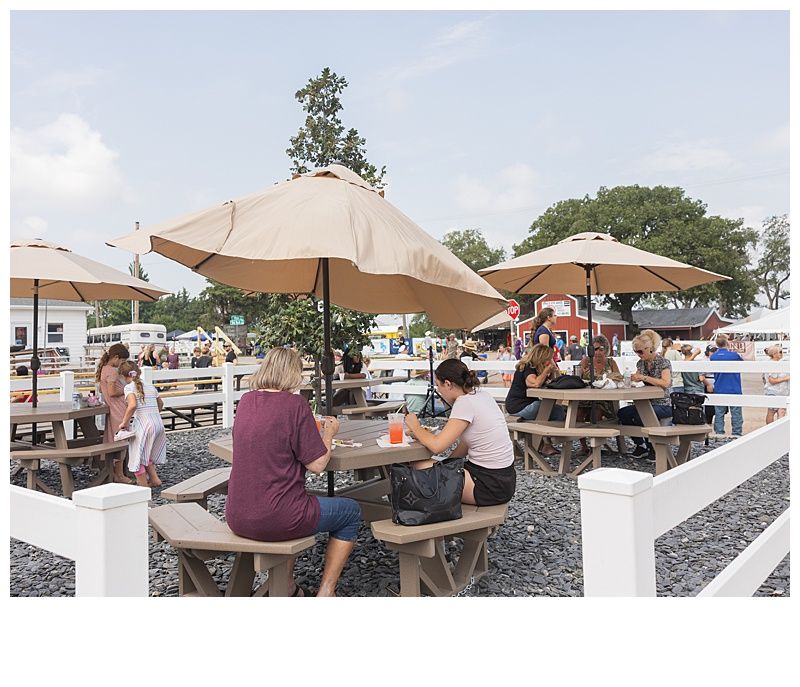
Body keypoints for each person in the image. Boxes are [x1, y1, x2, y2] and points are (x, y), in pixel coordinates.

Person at [225, 347, 361, 597]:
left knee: (294, 494)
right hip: (277, 518)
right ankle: (326, 592)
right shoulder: (295, 404)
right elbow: (318, 465)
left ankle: (288, 587)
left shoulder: (245, 401)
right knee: (351, 512)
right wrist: (329, 434)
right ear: (292, 373)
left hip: (237, 515)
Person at [404, 359, 516, 506]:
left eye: (439, 386)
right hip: (504, 480)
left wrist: (415, 425)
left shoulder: (464, 402)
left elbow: (437, 446)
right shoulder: (482, 395)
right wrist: (444, 465)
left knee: (417, 464)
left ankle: (412, 507)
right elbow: (466, 443)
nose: (439, 392)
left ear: (448, 384)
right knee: (432, 468)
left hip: (487, 486)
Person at [617, 332, 673, 459]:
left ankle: (653, 447)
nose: (639, 355)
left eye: (641, 351)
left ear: (650, 348)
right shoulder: (640, 364)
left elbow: (666, 383)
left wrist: (643, 377)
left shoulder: (663, 362)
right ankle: (641, 444)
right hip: (645, 403)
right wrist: (631, 379)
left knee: (640, 416)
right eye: (636, 352)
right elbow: (637, 379)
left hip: (662, 403)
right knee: (622, 413)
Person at [504, 343, 566, 456]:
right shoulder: (528, 367)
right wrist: (547, 370)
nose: (549, 361)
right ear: (541, 357)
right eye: (548, 359)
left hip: (528, 404)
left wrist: (554, 369)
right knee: (543, 407)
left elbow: (557, 381)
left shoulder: (537, 368)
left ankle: (548, 442)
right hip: (518, 406)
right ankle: (543, 443)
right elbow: (535, 383)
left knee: (558, 410)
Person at [117, 360, 166, 487]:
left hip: (144, 425)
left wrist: (124, 423)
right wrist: (154, 414)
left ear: (122, 376)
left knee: (136, 457)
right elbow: (161, 404)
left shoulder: (129, 387)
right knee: (146, 452)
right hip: (158, 424)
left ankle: (143, 487)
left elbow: (132, 405)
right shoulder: (150, 386)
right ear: (138, 372)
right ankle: (155, 480)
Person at [576, 334, 621, 457]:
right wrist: (581, 374)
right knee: (577, 413)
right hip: (586, 398)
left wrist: (605, 378)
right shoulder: (586, 361)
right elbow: (576, 379)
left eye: (601, 349)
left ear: (606, 350)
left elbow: (618, 378)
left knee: (596, 413)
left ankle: (595, 445)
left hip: (605, 399)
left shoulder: (611, 362)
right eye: (595, 349)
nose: (598, 352)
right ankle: (583, 446)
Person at [96, 343, 134, 484]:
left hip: (113, 409)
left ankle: (114, 472)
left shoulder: (104, 369)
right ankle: (119, 474)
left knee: (113, 439)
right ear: (116, 358)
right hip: (119, 409)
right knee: (121, 441)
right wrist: (127, 389)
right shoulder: (112, 371)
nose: (122, 365)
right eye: (122, 361)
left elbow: (103, 390)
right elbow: (112, 392)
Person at [710, 334, 743, 438]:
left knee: (719, 413)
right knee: (736, 413)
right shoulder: (734, 355)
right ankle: (736, 433)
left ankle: (719, 433)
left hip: (719, 387)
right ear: (727, 343)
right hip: (734, 387)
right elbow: (743, 363)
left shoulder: (713, 357)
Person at [763, 345, 789, 425]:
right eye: (780, 352)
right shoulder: (772, 364)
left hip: (782, 392)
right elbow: (772, 380)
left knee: (781, 412)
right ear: (774, 354)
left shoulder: (779, 363)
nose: (782, 354)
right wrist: (786, 378)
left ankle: (779, 429)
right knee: (771, 412)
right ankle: (770, 429)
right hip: (773, 392)